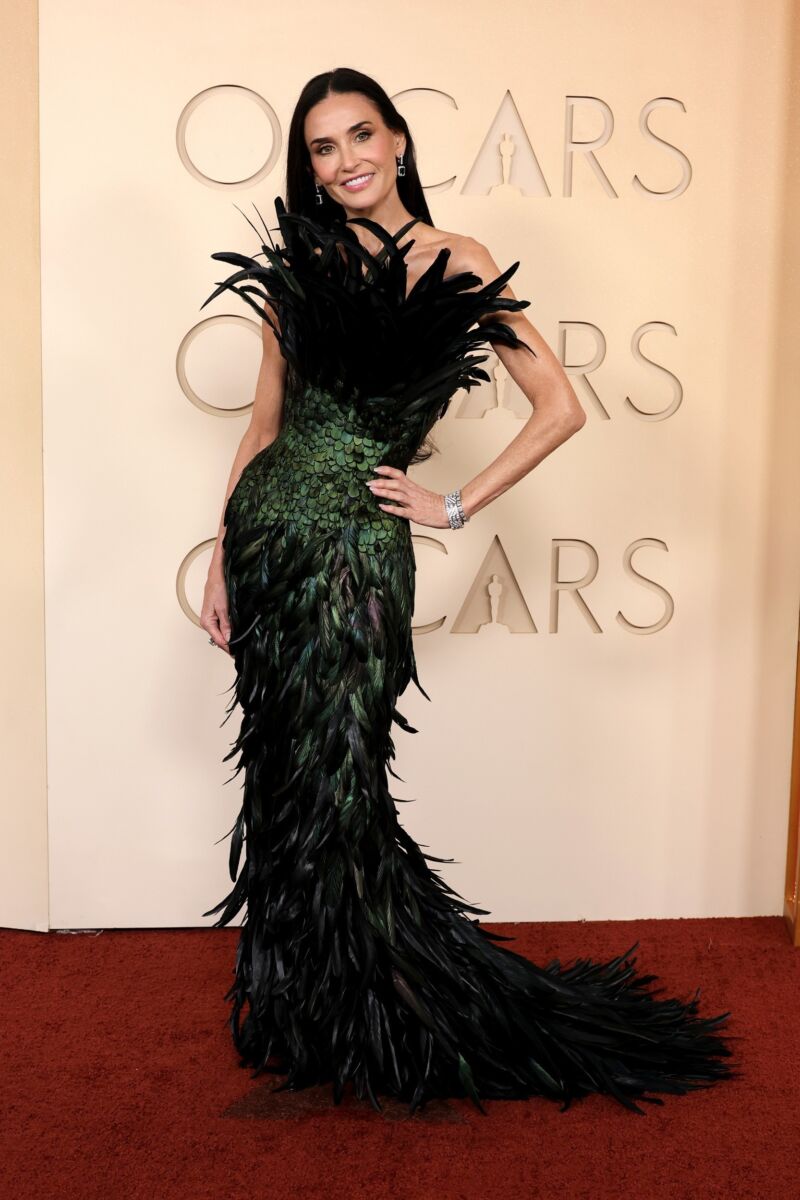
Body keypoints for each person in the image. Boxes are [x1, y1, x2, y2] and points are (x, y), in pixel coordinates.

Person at [198, 67, 741, 1116]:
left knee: (342, 780)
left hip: (358, 553)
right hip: (269, 540)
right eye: (322, 148)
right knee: (281, 781)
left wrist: (452, 505)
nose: (346, 160)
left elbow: (559, 406)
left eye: (361, 135)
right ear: (310, 168)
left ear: (398, 140)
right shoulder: (300, 265)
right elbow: (263, 427)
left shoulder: (458, 260)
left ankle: (393, 1007)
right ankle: (316, 1013)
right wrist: (222, 554)